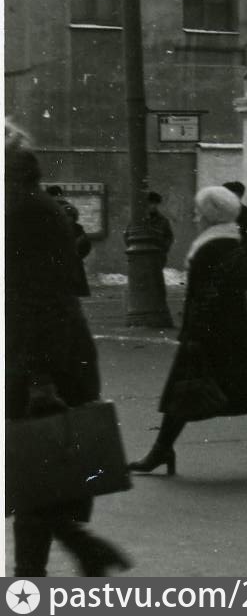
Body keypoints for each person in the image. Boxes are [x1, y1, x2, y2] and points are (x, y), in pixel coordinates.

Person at [7, 127, 129, 576]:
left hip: (42, 361)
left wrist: (39, 377)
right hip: (54, 355)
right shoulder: (33, 206)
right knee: (42, 474)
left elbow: (36, 297)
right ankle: (75, 554)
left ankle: (50, 568)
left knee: (35, 474)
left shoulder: (23, 212)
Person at [128, 185, 247, 476]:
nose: (196, 217)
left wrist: (191, 332)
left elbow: (201, 294)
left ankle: (161, 451)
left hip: (209, 330)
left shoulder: (208, 248)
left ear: (211, 216)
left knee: (184, 389)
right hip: (236, 327)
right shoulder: (233, 241)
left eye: (200, 213)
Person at [138, 191, 175, 276]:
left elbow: (169, 237)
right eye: (151, 203)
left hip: (157, 257)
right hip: (141, 258)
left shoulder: (163, 220)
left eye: (155, 203)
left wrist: (163, 249)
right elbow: (128, 234)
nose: (153, 206)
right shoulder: (138, 219)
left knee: (155, 278)